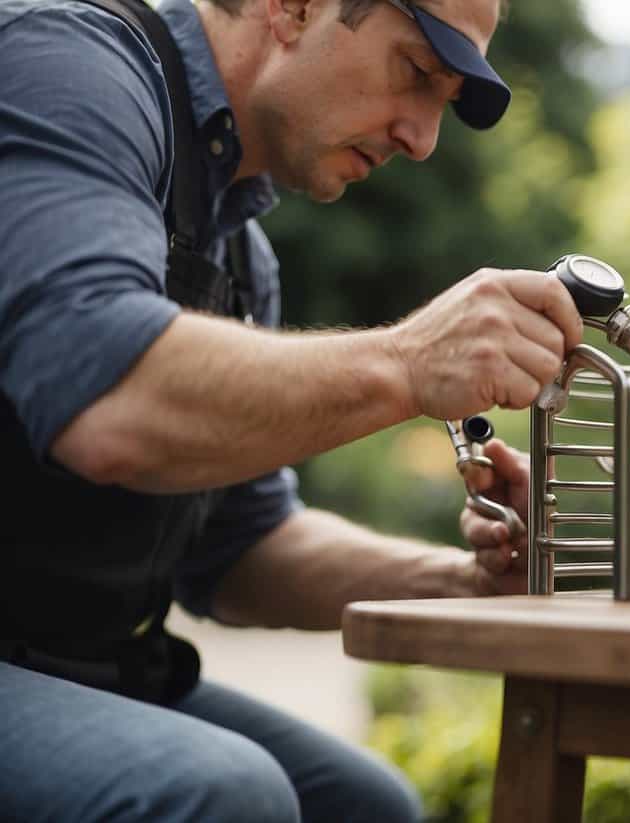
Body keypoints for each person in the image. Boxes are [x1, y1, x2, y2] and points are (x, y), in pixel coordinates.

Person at [0, 0, 583, 818]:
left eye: (444, 102)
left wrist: (468, 581)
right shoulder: (62, 65)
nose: (422, 139)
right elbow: (109, 398)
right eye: (416, 71)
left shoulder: (240, 254)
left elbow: (239, 547)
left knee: (368, 804)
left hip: (82, 667)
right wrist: (409, 360)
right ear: (294, 7)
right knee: (226, 795)